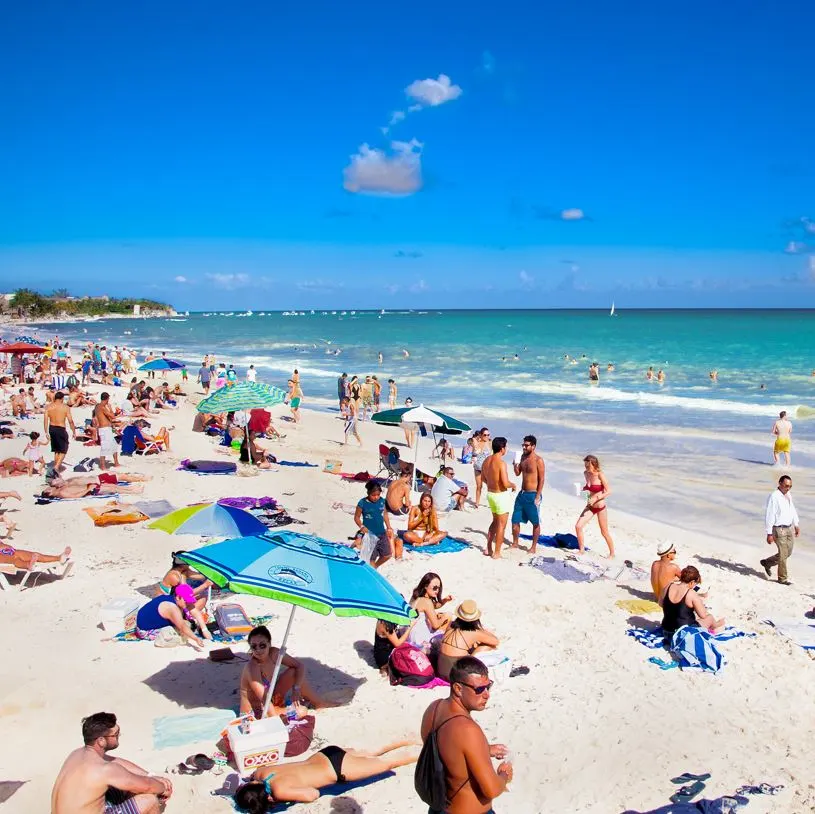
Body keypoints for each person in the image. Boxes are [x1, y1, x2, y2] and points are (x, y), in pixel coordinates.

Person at [419, 656, 512, 814]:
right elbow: (491, 789)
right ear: (458, 689)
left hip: (438, 808)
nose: (487, 694)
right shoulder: (469, 730)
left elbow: (445, 753)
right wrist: (504, 776)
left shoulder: (433, 709)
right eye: (479, 689)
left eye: (488, 686)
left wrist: (484, 750)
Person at [234, 740, 418, 810]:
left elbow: (312, 794)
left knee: (389, 763)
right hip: (325, 754)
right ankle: (408, 739)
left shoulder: (280, 791)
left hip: (337, 769)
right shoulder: (261, 773)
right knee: (371, 751)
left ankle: (423, 753)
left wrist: (282, 799)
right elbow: (255, 776)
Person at [51, 712, 172, 814]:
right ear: (101, 741)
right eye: (115, 734)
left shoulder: (76, 754)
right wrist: (163, 788)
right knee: (149, 800)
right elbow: (148, 785)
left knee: (126, 786)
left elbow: (115, 761)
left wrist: (149, 775)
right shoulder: (105, 770)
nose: (119, 736)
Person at [239, 625, 339, 719]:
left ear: (269, 644)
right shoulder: (252, 667)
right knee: (301, 711)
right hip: (256, 712)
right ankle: (281, 712)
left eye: (262, 645)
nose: (258, 650)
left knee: (293, 672)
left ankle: (318, 703)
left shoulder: (274, 654)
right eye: (254, 646)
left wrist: (296, 688)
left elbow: (299, 666)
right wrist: (275, 721)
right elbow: (264, 699)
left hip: (271, 699)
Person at [436, 601, 500, 681]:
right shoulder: (474, 632)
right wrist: (481, 630)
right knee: (488, 646)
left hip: (440, 670)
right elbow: (496, 641)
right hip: (455, 675)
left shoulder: (451, 625)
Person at [135, 584, 210, 649]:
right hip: (145, 630)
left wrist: (204, 629)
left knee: (186, 623)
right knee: (184, 628)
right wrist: (196, 639)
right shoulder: (172, 608)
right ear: (178, 597)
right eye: (186, 601)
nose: (187, 603)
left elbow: (195, 611)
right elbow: (182, 626)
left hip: (144, 619)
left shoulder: (176, 599)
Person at [660, 566, 724, 636]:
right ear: (692, 582)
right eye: (695, 583)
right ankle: (717, 625)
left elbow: (660, 603)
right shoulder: (691, 593)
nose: (694, 586)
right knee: (710, 617)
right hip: (683, 634)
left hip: (666, 630)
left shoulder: (668, 586)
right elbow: (703, 615)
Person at [761, 475, 800, 585]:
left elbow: (792, 509)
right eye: (786, 486)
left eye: (790, 486)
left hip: (788, 528)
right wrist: (769, 533)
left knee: (788, 552)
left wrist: (796, 524)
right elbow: (770, 515)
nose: (788, 488)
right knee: (783, 554)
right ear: (780, 483)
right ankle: (782, 579)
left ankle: (767, 562)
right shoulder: (774, 496)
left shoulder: (788, 494)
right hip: (778, 529)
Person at [481, 437, 516, 559]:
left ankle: (489, 548)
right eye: (505, 447)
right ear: (502, 448)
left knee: (495, 522)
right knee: (501, 525)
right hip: (500, 495)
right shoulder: (501, 463)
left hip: (490, 494)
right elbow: (505, 483)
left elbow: (483, 478)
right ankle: (497, 553)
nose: (506, 449)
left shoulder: (486, 461)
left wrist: (492, 483)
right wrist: (513, 485)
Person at [575, 454, 615, 558]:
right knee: (578, 526)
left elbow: (609, 491)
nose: (586, 468)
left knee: (604, 532)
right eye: (585, 466)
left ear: (594, 464)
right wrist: (584, 490)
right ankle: (581, 550)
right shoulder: (586, 473)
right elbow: (589, 487)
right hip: (590, 506)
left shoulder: (600, 474)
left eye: (588, 466)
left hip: (600, 507)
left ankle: (612, 554)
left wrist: (596, 498)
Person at [511, 434, 545, 553]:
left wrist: (537, 496)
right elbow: (517, 473)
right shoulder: (523, 458)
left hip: (533, 494)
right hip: (522, 493)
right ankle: (515, 543)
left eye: (526, 445)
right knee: (515, 519)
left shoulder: (538, 460)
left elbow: (542, 479)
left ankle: (533, 547)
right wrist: (515, 465)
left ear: (533, 446)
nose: (524, 447)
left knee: (535, 522)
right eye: (523, 445)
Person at [407, 572, 452, 652]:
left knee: (439, 615)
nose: (437, 590)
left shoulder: (417, 595)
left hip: (411, 636)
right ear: (425, 586)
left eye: (439, 588)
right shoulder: (427, 602)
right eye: (435, 588)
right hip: (421, 641)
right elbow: (436, 625)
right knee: (448, 620)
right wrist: (446, 616)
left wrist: (444, 600)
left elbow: (433, 606)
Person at [354, 480, 395, 566]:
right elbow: (356, 517)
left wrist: (389, 527)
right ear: (368, 493)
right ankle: (373, 569)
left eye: (378, 495)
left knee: (387, 555)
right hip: (370, 535)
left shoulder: (382, 501)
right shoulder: (362, 503)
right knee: (371, 558)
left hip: (382, 533)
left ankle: (375, 567)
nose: (376, 497)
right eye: (373, 495)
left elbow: (384, 514)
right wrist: (361, 527)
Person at [44, 391, 76, 473]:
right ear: (62, 399)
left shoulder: (48, 407)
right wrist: (74, 431)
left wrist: (46, 432)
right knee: (64, 448)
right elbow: (70, 421)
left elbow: (45, 420)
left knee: (56, 449)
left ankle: (56, 465)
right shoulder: (65, 407)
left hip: (52, 428)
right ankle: (56, 467)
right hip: (60, 428)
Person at [94, 392, 120, 471]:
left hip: (106, 429)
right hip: (104, 429)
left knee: (114, 445)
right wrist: (111, 408)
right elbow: (112, 416)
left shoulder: (98, 406)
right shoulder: (102, 407)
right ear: (107, 399)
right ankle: (102, 466)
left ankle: (116, 463)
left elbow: (106, 418)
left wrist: (112, 426)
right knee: (104, 447)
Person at [0, 541, 71, 569]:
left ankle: (59, 558)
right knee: (15, 559)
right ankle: (28, 565)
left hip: (9, 550)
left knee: (34, 555)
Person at [471, 428, 491, 507]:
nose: (487, 436)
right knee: (479, 486)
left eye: (488, 435)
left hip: (486, 469)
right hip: (477, 468)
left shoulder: (490, 443)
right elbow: (471, 441)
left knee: (489, 486)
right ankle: (477, 503)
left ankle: (491, 502)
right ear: (481, 435)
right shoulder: (476, 443)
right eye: (485, 435)